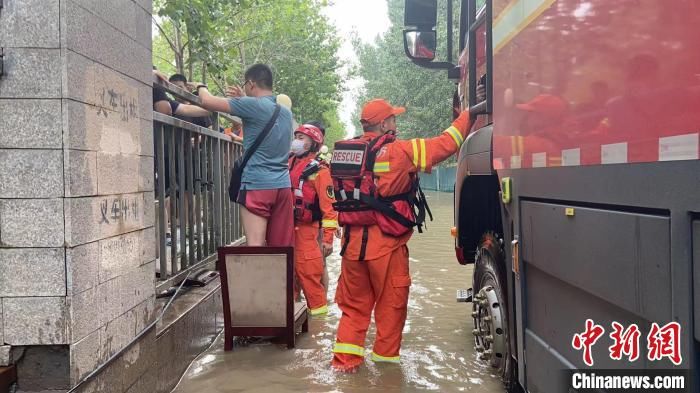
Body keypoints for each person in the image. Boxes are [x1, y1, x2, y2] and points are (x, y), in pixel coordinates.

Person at [330, 98, 472, 373]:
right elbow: (448, 143)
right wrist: (467, 114)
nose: (396, 123)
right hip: (386, 246)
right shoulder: (401, 151)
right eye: (393, 119)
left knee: (353, 311)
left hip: (351, 247)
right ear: (383, 123)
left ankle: (344, 369)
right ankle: (386, 375)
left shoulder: (345, 152)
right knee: (390, 308)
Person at [194, 64, 294, 247]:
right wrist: (244, 98)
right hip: (283, 186)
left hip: (257, 185)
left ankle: (256, 277)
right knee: (281, 248)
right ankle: (279, 277)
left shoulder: (252, 105)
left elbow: (207, 102)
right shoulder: (286, 113)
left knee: (255, 245)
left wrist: (200, 86)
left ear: (251, 83)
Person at [288, 124, 338, 316]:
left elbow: (330, 209)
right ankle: (292, 327)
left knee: (311, 280)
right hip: (287, 230)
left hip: (307, 232)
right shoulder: (288, 163)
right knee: (288, 281)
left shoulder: (321, 171)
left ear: (313, 143)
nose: (297, 141)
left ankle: (318, 335)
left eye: (302, 138)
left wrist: (327, 239)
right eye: (297, 136)